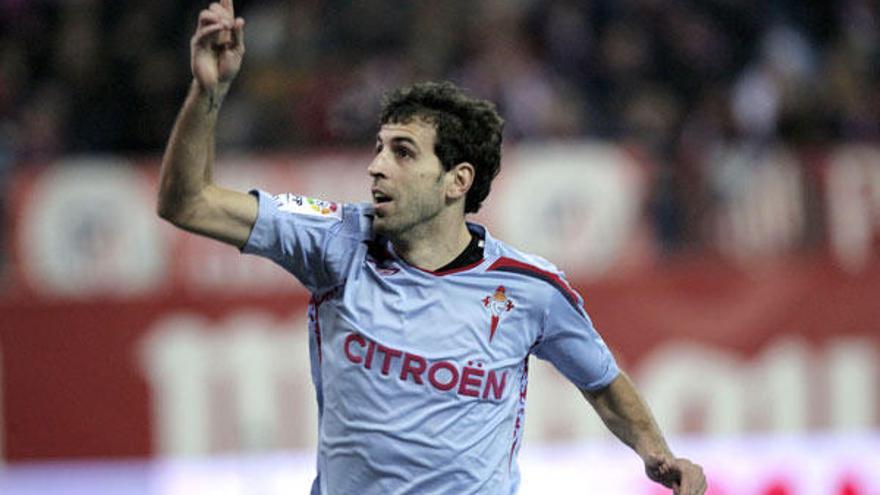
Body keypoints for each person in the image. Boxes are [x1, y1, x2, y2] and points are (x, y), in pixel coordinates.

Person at [157, 1, 707, 494]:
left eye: (402, 152)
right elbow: (189, 204)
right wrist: (209, 92)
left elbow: (603, 383)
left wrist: (658, 455)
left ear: (456, 180)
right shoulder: (337, 242)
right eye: (378, 148)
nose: (375, 166)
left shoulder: (530, 289)